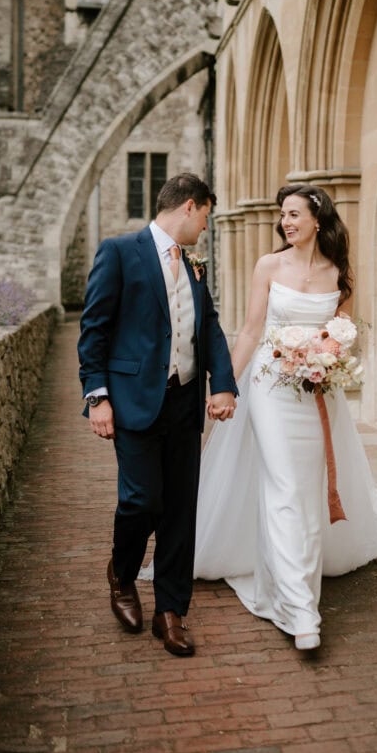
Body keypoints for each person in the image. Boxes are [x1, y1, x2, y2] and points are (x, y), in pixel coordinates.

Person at [194, 184, 377, 651]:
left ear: (318, 219)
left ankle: (296, 583)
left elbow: (342, 330)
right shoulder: (269, 266)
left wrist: (327, 354)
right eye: (283, 215)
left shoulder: (339, 272)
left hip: (316, 393)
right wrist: (223, 386)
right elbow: (250, 331)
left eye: (294, 214)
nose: (286, 222)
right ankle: (300, 609)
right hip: (270, 388)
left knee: (307, 489)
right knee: (283, 486)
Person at [78, 172, 237, 657]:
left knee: (180, 510)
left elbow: (208, 328)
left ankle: (171, 611)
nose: (205, 227)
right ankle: (122, 574)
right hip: (133, 401)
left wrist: (222, 383)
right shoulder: (119, 252)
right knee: (142, 499)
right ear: (189, 206)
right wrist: (97, 397)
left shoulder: (194, 265)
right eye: (205, 216)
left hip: (184, 403)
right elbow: (94, 328)